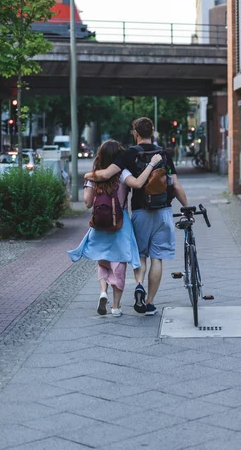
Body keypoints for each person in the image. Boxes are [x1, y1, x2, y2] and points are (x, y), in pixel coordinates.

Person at [85, 117, 188, 316]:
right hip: (164, 211)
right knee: (157, 258)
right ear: (153, 131)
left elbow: (106, 175)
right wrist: (187, 206)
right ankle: (149, 302)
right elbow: (175, 184)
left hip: (141, 211)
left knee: (141, 255)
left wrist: (88, 176)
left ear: (135, 133)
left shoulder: (129, 154)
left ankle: (139, 284)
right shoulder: (164, 154)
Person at [68, 139, 162, 317]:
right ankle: (116, 307)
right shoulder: (123, 173)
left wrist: (88, 183)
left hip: (99, 223)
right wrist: (151, 165)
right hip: (121, 223)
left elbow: (87, 203)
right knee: (118, 263)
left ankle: (103, 292)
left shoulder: (92, 176)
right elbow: (137, 184)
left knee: (103, 260)